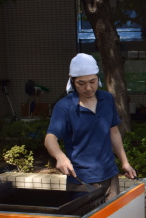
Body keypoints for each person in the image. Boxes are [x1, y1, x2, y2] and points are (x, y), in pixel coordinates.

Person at [45, 53, 136, 200]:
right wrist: (60, 156)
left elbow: (114, 132)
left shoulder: (107, 99)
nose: (88, 87)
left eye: (92, 81)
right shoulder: (64, 107)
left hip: (110, 174)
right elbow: (50, 138)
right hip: (81, 179)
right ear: (72, 81)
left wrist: (125, 162)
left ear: (97, 78)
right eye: (81, 83)